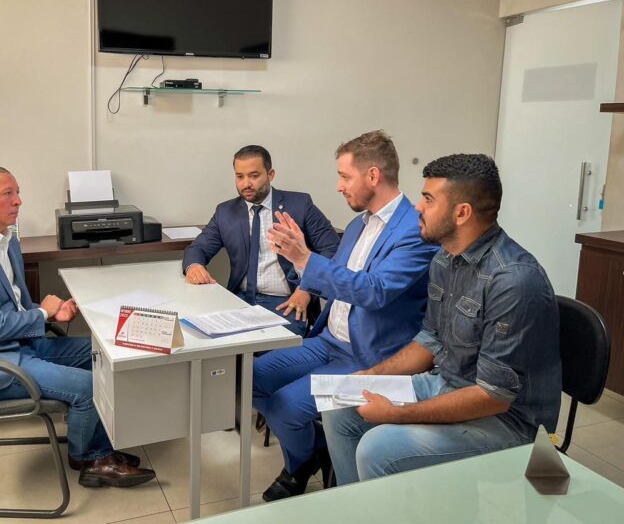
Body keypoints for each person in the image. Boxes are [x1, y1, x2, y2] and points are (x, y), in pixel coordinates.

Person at [322, 153, 562, 485]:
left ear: (462, 213)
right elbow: (430, 340)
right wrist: (371, 376)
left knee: (377, 448)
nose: (417, 207)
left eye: (428, 199)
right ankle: (358, 505)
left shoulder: (513, 281)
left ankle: (382, 506)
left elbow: (494, 396)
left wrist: (398, 415)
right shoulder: (445, 259)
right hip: (447, 383)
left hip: (509, 422)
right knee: (340, 405)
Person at [0, 165, 156, 488]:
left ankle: (99, 447)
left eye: (18, 193)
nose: (18, 201)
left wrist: (50, 313)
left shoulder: (6, 240)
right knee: (89, 386)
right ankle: (90, 458)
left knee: (103, 352)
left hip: (19, 345)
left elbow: (11, 305)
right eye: (8, 194)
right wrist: (42, 314)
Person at [254, 131, 438, 501]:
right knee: (248, 378)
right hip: (328, 341)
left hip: (369, 354)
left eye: (344, 176)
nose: (338, 186)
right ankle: (314, 452)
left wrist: (306, 258)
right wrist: (298, 260)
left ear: (373, 176)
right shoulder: (357, 226)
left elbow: (374, 290)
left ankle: (299, 465)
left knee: (286, 407)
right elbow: (335, 282)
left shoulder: (415, 231)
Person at [182, 145, 340, 336]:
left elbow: (332, 249)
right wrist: (194, 266)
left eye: (254, 176)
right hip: (239, 300)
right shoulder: (226, 212)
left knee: (271, 347)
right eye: (240, 176)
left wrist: (307, 289)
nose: (246, 183)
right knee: (206, 338)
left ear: (270, 174)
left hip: (286, 301)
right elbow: (198, 248)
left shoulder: (300, 205)